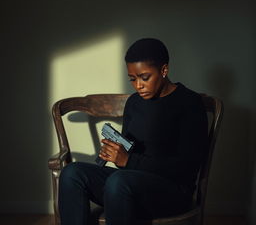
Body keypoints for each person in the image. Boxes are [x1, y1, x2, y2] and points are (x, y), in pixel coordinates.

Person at [58, 38, 208, 225]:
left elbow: (186, 169)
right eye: (132, 79)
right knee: (72, 173)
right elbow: (129, 163)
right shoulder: (134, 103)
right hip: (131, 185)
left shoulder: (189, 103)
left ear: (164, 70)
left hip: (173, 192)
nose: (138, 85)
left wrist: (128, 160)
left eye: (145, 77)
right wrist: (116, 154)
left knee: (119, 182)